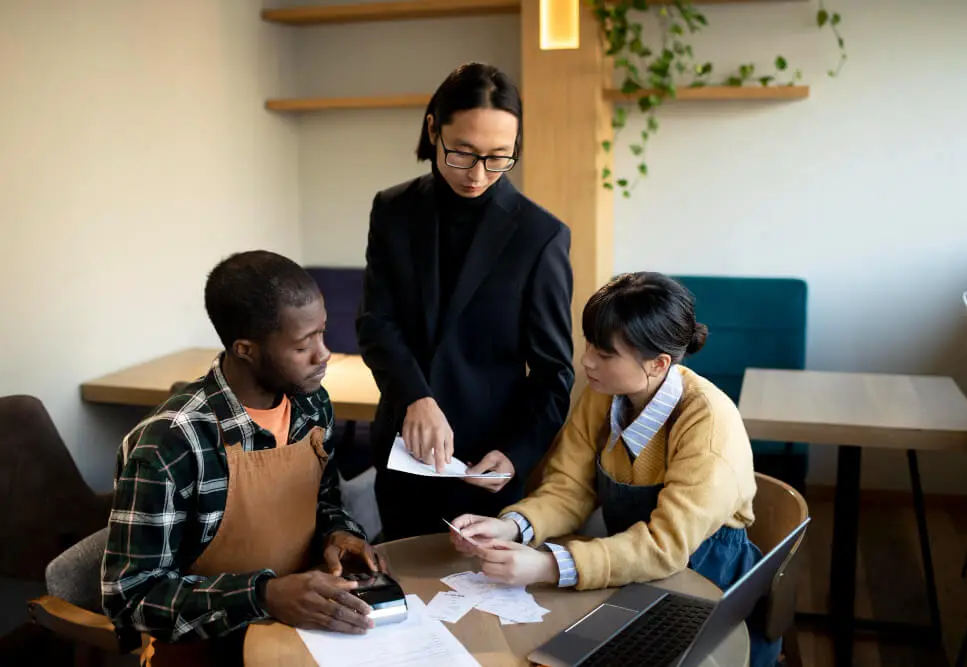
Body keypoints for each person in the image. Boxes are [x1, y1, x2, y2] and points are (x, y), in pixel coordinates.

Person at [449, 272, 782, 667]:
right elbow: (568, 488)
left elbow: (664, 547)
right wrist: (513, 526)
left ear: (658, 364)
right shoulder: (602, 396)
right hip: (628, 567)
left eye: (605, 354)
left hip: (706, 584)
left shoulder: (707, 423)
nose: (587, 360)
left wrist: (549, 564)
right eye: (590, 343)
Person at [102, 251, 388, 667]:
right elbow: (129, 599)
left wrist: (339, 536)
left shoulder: (312, 406)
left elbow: (322, 502)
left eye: (322, 334)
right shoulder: (168, 446)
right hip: (206, 648)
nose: (323, 354)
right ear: (246, 349)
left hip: (300, 627)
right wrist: (263, 595)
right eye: (302, 344)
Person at [356, 62, 575, 540]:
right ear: (433, 128)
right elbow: (376, 322)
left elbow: (554, 373)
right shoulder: (392, 210)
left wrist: (517, 454)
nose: (478, 175)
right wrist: (416, 395)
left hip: (485, 466)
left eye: (499, 157)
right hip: (402, 452)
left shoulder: (540, 236)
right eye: (463, 153)